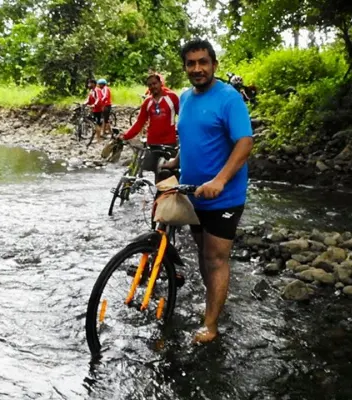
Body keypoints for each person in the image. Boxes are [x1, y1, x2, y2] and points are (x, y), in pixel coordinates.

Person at [161, 39, 253, 344]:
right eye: (191, 63)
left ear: (214, 64)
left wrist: (221, 180)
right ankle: (212, 302)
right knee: (203, 253)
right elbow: (191, 138)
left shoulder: (229, 99)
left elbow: (244, 143)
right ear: (185, 67)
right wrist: (175, 160)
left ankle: (211, 326)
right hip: (193, 193)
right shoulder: (186, 97)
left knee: (215, 258)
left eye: (203, 62)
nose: (197, 68)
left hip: (223, 196)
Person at [119, 73, 179, 182]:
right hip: (153, 143)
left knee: (167, 173)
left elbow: (183, 117)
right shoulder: (148, 102)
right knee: (155, 171)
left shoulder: (172, 97)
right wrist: (126, 135)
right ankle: (155, 194)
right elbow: (139, 123)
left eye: (155, 83)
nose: (153, 87)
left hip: (169, 143)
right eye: (150, 85)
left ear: (161, 83)